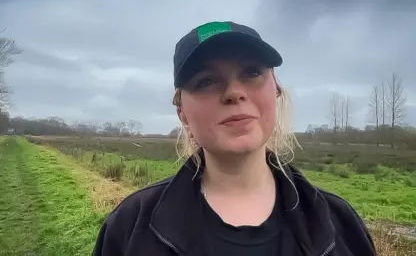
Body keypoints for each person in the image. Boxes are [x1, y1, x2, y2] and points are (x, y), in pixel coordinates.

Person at [91, 21, 376, 256]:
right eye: (206, 81)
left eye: (251, 72)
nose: (234, 92)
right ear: (183, 115)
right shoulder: (129, 228)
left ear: (275, 91)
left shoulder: (341, 225)